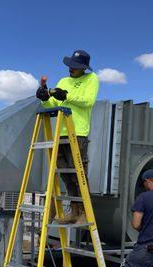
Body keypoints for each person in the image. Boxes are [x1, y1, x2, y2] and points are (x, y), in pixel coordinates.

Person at [36, 50, 99, 224]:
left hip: (77, 132)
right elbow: (53, 103)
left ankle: (86, 212)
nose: (71, 68)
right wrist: (44, 97)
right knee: (66, 174)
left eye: (76, 66)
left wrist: (66, 95)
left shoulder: (91, 79)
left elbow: (88, 100)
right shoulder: (64, 81)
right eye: (71, 65)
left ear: (84, 68)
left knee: (79, 174)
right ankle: (75, 211)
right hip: (61, 132)